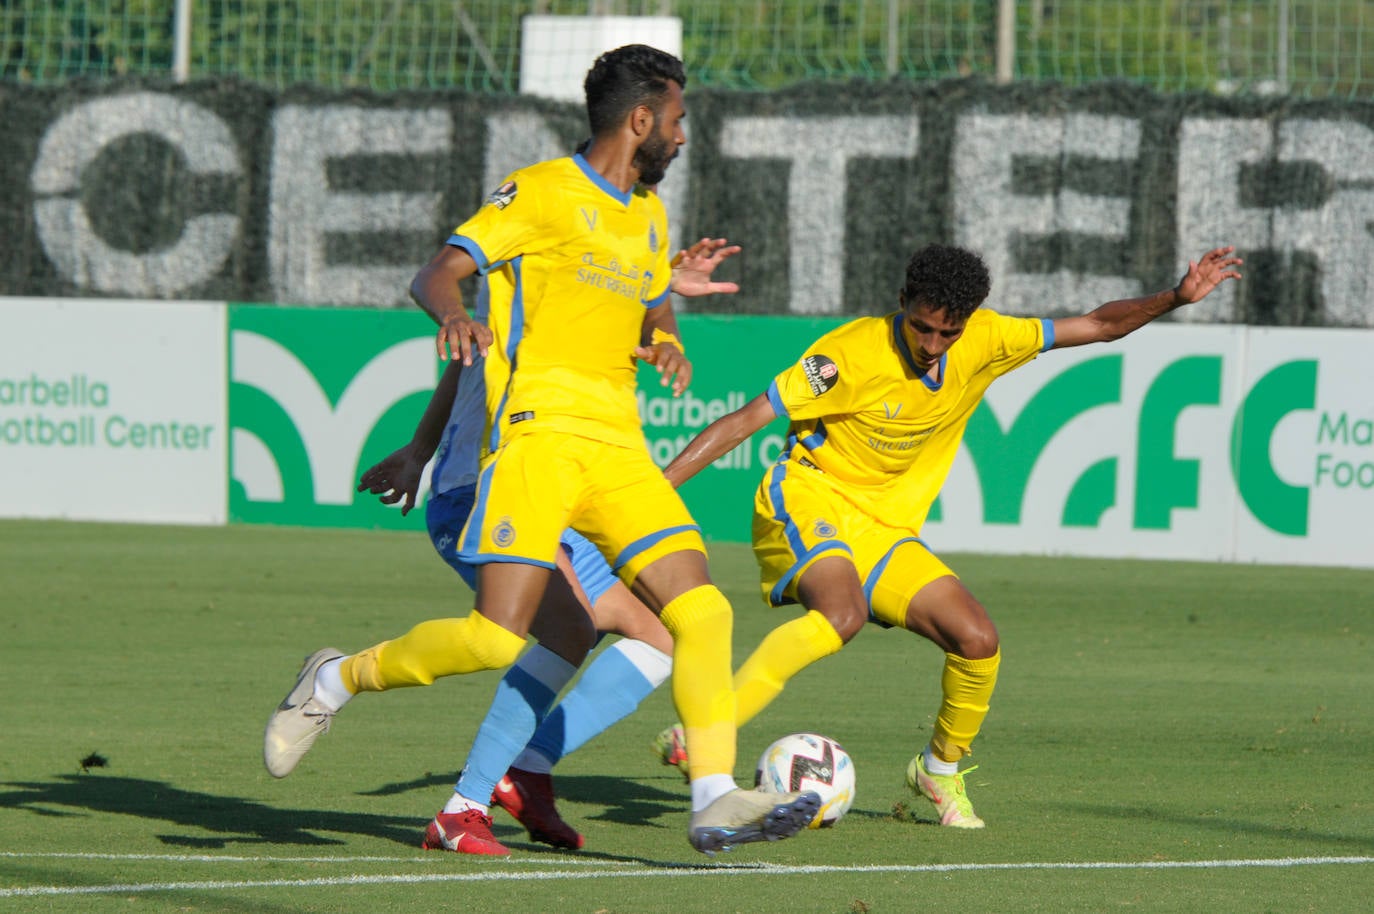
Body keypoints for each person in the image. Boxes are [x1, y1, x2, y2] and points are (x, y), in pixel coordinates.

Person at [263, 43, 820, 857]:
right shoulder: (542, 192)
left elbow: (649, 296)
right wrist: (452, 314)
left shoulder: (649, 215)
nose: (682, 136)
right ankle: (335, 679)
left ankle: (712, 798)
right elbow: (438, 273)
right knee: (496, 637)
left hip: (617, 447)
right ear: (641, 121)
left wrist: (663, 329)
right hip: (538, 442)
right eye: (677, 120)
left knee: (701, 611)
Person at [653, 242, 1243, 828]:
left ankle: (937, 770)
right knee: (841, 614)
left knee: (977, 638)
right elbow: (746, 418)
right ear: (903, 301)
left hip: (885, 530)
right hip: (810, 498)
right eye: (921, 327)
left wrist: (1175, 297)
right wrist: (654, 492)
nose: (932, 346)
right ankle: (707, 732)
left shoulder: (988, 339)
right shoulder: (847, 354)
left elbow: (1097, 324)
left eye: (948, 333)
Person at [346, 236, 742, 854]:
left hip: (550, 494)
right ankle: (459, 787)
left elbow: (590, 311)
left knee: (661, 634)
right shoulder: (524, 282)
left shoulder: (572, 291)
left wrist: (661, 291)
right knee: (524, 637)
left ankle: (523, 771)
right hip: (483, 494)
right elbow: (474, 348)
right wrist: (423, 454)